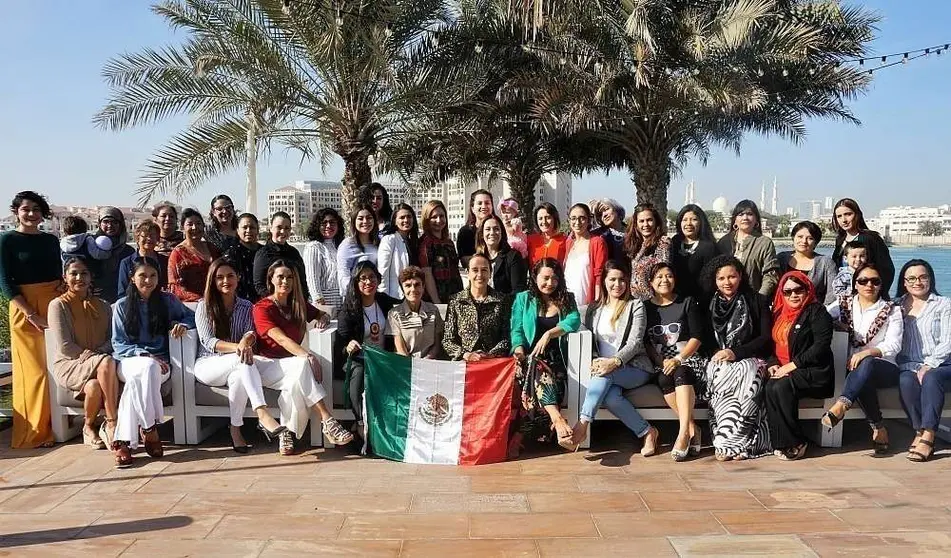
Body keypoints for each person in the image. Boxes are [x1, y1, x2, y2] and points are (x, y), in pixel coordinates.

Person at [193, 257, 295, 452]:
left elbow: (251, 333)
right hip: (208, 364)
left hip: (238, 362)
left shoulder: (247, 306)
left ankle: (236, 429)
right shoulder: (203, 306)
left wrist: (246, 341)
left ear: (238, 278)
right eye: (220, 277)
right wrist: (239, 346)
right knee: (243, 358)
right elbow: (208, 342)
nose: (225, 281)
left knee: (240, 375)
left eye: (230, 276)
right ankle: (262, 413)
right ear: (212, 281)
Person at [252, 260, 353, 455]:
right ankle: (327, 419)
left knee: (296, 381)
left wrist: (322, 320)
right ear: (271, 279)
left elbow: (321, 315)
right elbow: (279, 338)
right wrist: (308, 355)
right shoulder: (262, 307)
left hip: (292, 366)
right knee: (302, 366)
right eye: (280, 277)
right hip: (266, 365)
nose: (285, 281)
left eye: (289, 277)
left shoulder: (298, 304)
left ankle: (286, 433)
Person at [567, 261, 660, 456]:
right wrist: (594, 359)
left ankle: (582, 425)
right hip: (605, 368)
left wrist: (614, 362)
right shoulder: (594, 309)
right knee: (610, 397)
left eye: (622, 280)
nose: (617, 284)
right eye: (612, 280)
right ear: (604, 282)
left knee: (603, 377)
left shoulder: (635, 306)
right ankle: (648, 431)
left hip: (635, 367)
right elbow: (588, 338)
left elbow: (635, 343)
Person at [111, 257, 195, 466]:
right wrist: (144, 354)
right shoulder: (121, 306)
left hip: (162, 363)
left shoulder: (168, 301)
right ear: (132, 278)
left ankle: (123, 440)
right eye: (142, 276)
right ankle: (150, 427)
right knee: (145, 367)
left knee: (137, 381)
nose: (148, 280)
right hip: (129, 361)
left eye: (152, 276)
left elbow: (192, 317)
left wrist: (181, 324)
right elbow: (118, 343)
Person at [820, 263, 903, 455]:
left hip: (884, 367)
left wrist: (867, 352)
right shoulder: (842, 304)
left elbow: (894, 345)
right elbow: (820, 317)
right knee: (862, 376)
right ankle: (879, 428)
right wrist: (834, 324)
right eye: (863, 281)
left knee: (866, 364)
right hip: (852, 367)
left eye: (875, 281)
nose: (869, 285)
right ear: (855, 284)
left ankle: (842, 405)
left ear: (881, 285)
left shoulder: (892, 310)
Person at [0, 191, 61, 448]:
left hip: (54, 304)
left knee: (56, 368)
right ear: (17, 211)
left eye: (36, 209)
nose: (32, 214)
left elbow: (59, 274)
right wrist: (30, 313)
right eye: (26, 209)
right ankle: (36, 431)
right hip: (25, 308)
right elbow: (4, 282)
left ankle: (57, 426)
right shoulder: (6, 240)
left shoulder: (50, 240)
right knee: (34, 372)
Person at [703, 255, 773, 461]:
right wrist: (719, 354)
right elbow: (705, 339)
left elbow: (765, 337)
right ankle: (725, 443)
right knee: (720, 375)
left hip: (750, 357)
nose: (727, 282)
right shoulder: (708, 304)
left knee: (748, 378)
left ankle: (743, 444)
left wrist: (736, 353)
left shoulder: (756, 300)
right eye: (721, 278)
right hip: (719, 358)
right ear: (714, 281)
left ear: (740, 276)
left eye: (732, 277)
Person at [510, 258, 581, 457]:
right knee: (534, 365)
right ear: (535, 277)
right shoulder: (523, 299)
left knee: (538, 372)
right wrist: (519, 353)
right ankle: (557, 419)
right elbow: (516, 331)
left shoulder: (566, 298)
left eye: (554, 279)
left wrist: (549, 334)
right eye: (545, 278)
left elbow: (574, 320)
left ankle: (520, 437)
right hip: (527, 359)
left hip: (556, 361)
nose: (550, 283)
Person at [47, 258, 119, 452]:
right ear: (65, 277)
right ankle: (112, 422)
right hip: (70, 363)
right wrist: (94, 356)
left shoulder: (104, 306)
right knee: (106, 362)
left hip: (99, 360)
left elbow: (112, 339)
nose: (79, 277)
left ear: (91, 277)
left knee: (94, 386)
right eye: (74, 273)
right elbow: (65, 347)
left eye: (84, 273)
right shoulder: (58, 305)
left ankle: (88, 427)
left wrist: (98, 353)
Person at [763, 271, 834, 461]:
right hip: (783, 369)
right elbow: (771, 344)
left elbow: (821, 346)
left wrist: (791, 366)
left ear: (807, 289)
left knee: (781, 385)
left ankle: (797, 441)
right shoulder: (778, 313)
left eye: (798, 290)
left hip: (813, 371)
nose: (793, 295)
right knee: (770, 386)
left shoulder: (817, 312)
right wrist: (773, 363)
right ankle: (780, 442)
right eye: (787, 292)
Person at [644, 262, 707, 460]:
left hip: (688, 359)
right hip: (661, 362)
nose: (665, 280)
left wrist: (679, 359)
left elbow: (697, 337)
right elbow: (646, 342)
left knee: (680, 373)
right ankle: (692, 428)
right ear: (651, 283)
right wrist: (661, 361)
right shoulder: (645, 308)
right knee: (663, 379)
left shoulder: (686, 302)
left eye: (669, 276)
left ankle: (682, 434)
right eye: (659, 277)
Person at [895, 260, 951, 462]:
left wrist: (930, 364)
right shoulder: (897, 306)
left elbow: (948, 341)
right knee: (905, 380)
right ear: (904, 282)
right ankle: (918, 430)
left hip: (944, 363)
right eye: (911, 278)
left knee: (931, 377)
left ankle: (928, 435)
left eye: (922, 277)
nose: (917, 282)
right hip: (910, 364)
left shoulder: (944, 304)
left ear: (930, 279)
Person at [339, 262, 400, 435]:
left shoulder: (383, 300)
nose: (368, 282)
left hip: (383, 358)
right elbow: (342, 344)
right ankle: (359, 422)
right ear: (356, 282)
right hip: (359, 359)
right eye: (363, 278)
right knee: (359, 373)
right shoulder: (349, 309)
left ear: (378, 279)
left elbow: (405, 305)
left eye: (372, 277)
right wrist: (348, 345)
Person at [442, 253, 511, 361]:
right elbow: (448, 340)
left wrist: (489, 355)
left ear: (490, 273)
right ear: (467, 273)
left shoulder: (502, 300)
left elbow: (506, 337)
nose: (479, 275)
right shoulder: (455, 301)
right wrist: (466, 355)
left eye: (484, 270)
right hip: (463, 365)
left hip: (493, 363)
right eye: (475, 270)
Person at [716, 200, 779, 299]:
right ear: (735, 219)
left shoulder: (764, 243)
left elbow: (770, 274)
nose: (745, 217)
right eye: (741, 214)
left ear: (756, 220)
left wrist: (760, 298)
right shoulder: (724, 242)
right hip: (726, 300)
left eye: (750, 214)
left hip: (753, 299)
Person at [831, 198, 895, 294]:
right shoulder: (840, 240)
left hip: (868, 295)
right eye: (839, 216)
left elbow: (887, 269)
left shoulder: (870, 238)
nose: (843, 220)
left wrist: (878, 293)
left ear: (857, 215)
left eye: (848, 214)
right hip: (844, 296)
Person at [388, 266, 444, 359]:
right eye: (408, 285)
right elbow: (400, 348)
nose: (413, 289)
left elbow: (437, 345)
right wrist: (413, 366)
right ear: (402, 288)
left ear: (423, 287)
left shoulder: (433, 310)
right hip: (405, 364)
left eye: (417, 284)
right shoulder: (394, 314)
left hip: (430, 363)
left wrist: (425, 361)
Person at [253, 211, 309, 302]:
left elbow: (302, 281)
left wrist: (303, 302)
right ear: (271, 228)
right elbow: (259, 285)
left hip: (295, 305)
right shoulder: (263, 254)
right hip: (273, 305)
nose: (283, 231)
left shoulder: (294, 253)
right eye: (279, 227)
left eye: (286, 228)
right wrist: (276, 302)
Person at [777, 221, 837, 304]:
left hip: (815, 313)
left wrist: (822, 313)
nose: (804, 241)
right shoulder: (781, 258)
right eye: (800, 237)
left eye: (810, 238)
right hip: (784, 312)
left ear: (816, 242)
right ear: (793, 238)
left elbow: (832, 294)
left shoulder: (826, 263)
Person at [168, 208, 220, 302]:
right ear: (183, 228)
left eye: (198, 223)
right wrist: (200, 300)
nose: (195, 227)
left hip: (217, 301)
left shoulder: (212, 248)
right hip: (192, 306)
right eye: (190, 224)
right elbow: (174, 286)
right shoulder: (178, 253)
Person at [670, 204, 719, 301]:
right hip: (675, 300)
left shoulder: (708, 247)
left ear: (701, 222)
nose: (688, 223)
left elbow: (710, 281)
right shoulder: (675, 241)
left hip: (699, 302)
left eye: (694, 219)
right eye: (685, 220)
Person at [418, 200, 463, 304]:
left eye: (442, 216)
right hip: (437, 298)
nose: (439, 220)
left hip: (455, 295)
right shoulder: (426, 243)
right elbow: (427, 274)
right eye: (434, 217)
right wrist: (437, 302)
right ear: (427, 219)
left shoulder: (449, 242)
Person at [563, 203, 608, 306]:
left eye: (582, 218)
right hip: (567, 303)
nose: (577, 222)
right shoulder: (569, 242)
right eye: (573, 218)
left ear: (588, 220)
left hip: (587, 303)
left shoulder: (597, 242)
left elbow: (600, 276)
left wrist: (596, 304)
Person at [89, 207, 135, 304]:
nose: (110, 225)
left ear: (121, 224)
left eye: (115, 222)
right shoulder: (90, 247)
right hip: (95, 300)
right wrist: (87, 288)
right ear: (99, 224)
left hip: (121, 300)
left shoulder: (128, 251)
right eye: (106, 221)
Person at [625, 203, 671, 300]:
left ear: (656, 222)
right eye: (641, 221)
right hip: (635, 300)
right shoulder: (633, 244)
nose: (645, 224)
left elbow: (661, 270)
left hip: (654, 300)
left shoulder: (663, 242)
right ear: (636, 224)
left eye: (649, 220)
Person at [476, 214, 527, 296]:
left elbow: (518, 291)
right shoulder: (477, 259)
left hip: (506, 306)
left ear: (502, 232)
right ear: (481, 234)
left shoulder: (513, 256)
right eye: (488, 229)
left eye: (496, 229)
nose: (492, 233)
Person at [303, 208, 344, 309]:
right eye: (324, 223)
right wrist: (319, 303)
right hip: (323, 304)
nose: (328, 226)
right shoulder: (314, 247)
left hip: (342, 303)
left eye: (332, 222)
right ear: (318, 226)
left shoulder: (340, 246)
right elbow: (312, 278)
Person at [336, 205, 380, 299]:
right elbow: (343, 274)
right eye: (360, 218)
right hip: (356, 297)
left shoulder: (378, 243)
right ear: (354, 222)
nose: (365, 222)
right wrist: (356, 293)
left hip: (375, 295)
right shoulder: (347, 245)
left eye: (369, 218)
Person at [378, 203, 419, 299]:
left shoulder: (412, 242)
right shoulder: (389, 239)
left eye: (409, 217)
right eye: (402, 217)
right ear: (395, 221)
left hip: (411, 294)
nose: (406, 220)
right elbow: (383, 269)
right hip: (394, 295)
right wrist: (383, 295)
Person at [117, 220, 169, 297]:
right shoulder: (126, 263)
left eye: (152, 235)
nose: (148, 239)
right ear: (137, 238)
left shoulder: (165, 261)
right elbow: (122, 292)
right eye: (144, 236)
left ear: (157, 239)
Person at [224, 213, 262, 302]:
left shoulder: (265, 252)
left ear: (257, 230)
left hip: (263, 302)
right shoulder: (231, 254)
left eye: (252, 227)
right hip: (239, 303)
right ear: (237, 230)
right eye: (245, 227)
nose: (248, 231)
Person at [457, 189, 494, 268]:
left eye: (487, 203)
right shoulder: (465, 232)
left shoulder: (499, 230)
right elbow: (465, 261)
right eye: (479, 203)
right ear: (473, 208)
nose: (484, 206)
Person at [526, 202, 567, 266]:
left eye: (548, 217)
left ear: (554, 218)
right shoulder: (530, 240)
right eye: (540, 218)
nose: (544, 222)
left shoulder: (565, 241)